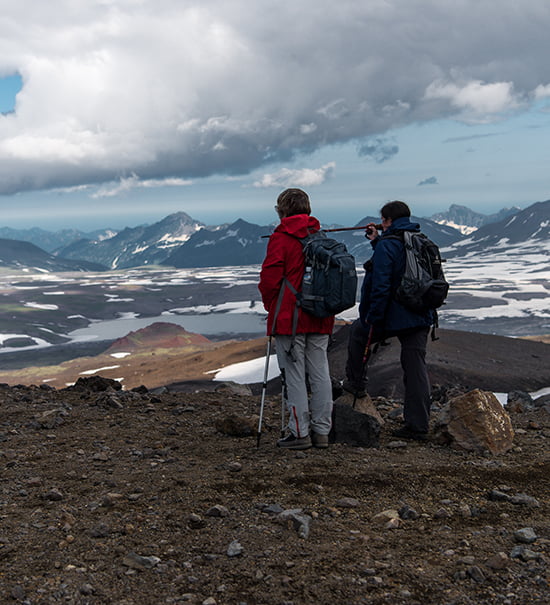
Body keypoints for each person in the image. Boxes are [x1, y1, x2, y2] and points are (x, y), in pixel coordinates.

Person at [344, 200, 433, 441]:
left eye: (383, 220)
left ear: (387, 221)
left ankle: (356, 384)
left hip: (396, 314)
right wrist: (377, 241)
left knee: (358, 333)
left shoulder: (388, 245)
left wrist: (372, 318)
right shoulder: (420, 240)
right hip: (422, 313)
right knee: (415, 368)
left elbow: (381, 284)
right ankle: (418, 425)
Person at [258, 188, 334, 450]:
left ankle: (300, 433)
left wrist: (273, 307)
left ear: (282, 209)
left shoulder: (282, 238)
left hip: (290, 317)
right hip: (320, 316)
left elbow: (269, 279)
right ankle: (323, 431)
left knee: (294, 374)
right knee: (320, 372)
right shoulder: (320, 235)